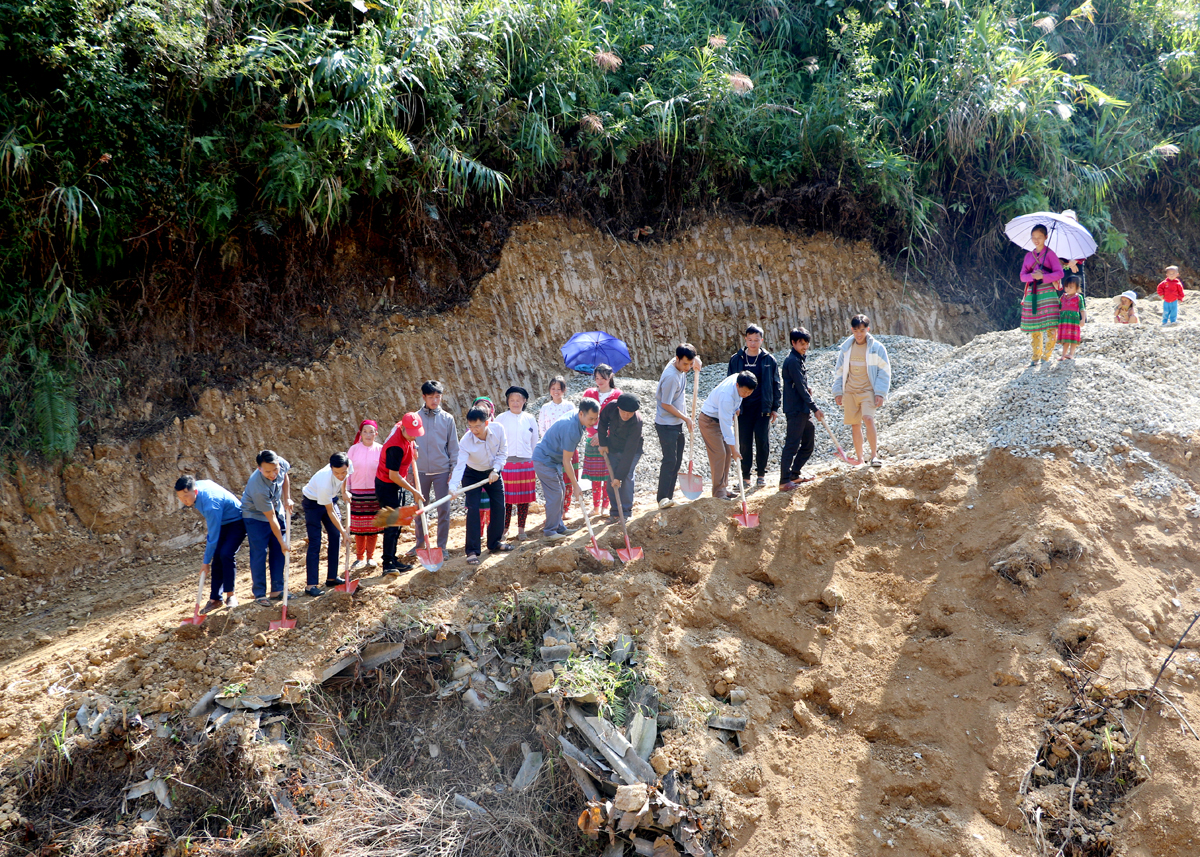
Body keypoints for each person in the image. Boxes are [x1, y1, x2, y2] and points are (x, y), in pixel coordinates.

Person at [450, 407, 514, 564]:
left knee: (499, 505)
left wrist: (496, 470)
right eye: (470, 426)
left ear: (487, 422)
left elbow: (503, 452)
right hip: (471, 474)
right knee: (473, 509)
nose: (474, 430)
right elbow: (459, 466)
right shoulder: (465, 441)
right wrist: (453, 488)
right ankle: (472, 551)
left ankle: (494, 543)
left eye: (477, 426)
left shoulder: (498, 429)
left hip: (493, 472)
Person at [175, 475, 246, 613]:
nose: (183, 501)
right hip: (223, 520)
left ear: (195, 491)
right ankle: (215, 599)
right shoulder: (196, 486)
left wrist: (205, 563)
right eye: (180, 497)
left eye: (186, 497)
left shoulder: (210, 505)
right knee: (217, 557)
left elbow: (212, 537)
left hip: (237, 521)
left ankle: (231, 596)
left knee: (226, 554)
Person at [534, 398, 600, 539]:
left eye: (596, 418)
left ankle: (559, 527)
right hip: (544, 459)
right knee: (556, 494)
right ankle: (550, 531)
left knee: (561, 490)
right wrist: (576, 486)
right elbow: (567, 460)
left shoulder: (577, 415)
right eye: (591, 419)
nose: (593, 422)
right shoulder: (572, 429)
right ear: (581, 414)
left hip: (552, 459)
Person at [832, 315, 891, 467]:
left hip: (867, 391)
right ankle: (859, 459)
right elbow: (839, 371)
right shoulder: (846, 349)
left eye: (862, 331)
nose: (859, 334)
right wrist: (838, 392)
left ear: (868, 330)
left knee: (868, 419)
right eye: (856, 331)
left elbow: (884, 371)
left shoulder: (877, 348)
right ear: (852, 330)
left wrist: (880, 393)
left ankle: (874, 456)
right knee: (855, 424)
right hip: (850, 392)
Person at [727, 324, 781, 487]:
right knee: (744, 442)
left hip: (762, 407)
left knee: (762, 441)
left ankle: (761, 475)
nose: (753, 343)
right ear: (745, 339)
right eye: (750, 339)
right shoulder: (736, 359)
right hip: (742, 408)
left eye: (756, 340)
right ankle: (745, 477)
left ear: (761, 340)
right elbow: (729, 383)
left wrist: (775, 407)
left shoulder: (768, 360)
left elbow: (775, 384)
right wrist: (732, 406)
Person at [412, 381, 459, 557]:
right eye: (431, 397)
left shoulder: (448, 419)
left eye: (437, 397)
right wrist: (410, 472)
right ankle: (419, 545)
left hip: (442, 471)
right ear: (423, 397)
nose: (434, 400)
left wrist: (453, 470)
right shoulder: (414, 418)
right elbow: (407, 446)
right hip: (420, 472)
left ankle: (442, 547)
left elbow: (454, 447)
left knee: (444, 510)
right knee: (419, 510)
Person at [373, 414, 424, 576]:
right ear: (402, 429)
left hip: (395, 483)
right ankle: (387, 563)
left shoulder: (402, 427)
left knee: (398, 522)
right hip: (386, 485)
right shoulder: (395, 447)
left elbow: (410, 435)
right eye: (411, 433)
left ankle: (393, 559)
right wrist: (414, 491)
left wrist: (413, 445)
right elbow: (393, 476)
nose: (413, 435)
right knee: (392, 523)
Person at [241, 450, 292, 606]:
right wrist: (283, 542)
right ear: (259, 469)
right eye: (267, 471)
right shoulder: (258, 487)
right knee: (259, 552)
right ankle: (260, 593)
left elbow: (285, 477)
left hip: (275, 509)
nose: (273, 474)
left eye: (275, 469)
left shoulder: (280, 464)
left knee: (278, 550)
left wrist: (287, 497)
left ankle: (277, 589)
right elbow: (270, 518)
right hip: (255, 516)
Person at [654, 344, 701, 509]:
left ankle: (669, 497)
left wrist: (698, 362)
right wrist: (686, 418)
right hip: (666, 424)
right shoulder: (671, 377)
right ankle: (662, 498)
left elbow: (693, 359)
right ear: (677, 359)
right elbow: (666, 404)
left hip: (676, 423)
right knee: (670, 460)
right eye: (685, 364)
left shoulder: (679, 364)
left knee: (677, 461)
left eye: (691, 364)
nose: (688, 368)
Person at [698, 371, 758, 499]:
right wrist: (734, 450)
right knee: (720, 454)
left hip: (719, 418)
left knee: (725, 455)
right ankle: (718, 492)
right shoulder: (727, 396)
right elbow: (726, 426)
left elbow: (737, 400)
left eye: (749, 392)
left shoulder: (740, 378)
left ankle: (723, 488)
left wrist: (736, 406)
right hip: (709, 421)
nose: (746, 395)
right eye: (745, 392)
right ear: (737, 385)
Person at [300, 452, 352, 597]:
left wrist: (344, 491)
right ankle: (311, 585)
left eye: (343, 472)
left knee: (335, 536)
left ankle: (332, 577)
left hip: (330, 499)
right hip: (313, 504)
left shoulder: (348, 466)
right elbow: (330, 512)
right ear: (331, 468)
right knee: (315, 541)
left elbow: (345, 478)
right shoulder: (325, 482)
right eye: (337, 473)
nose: (341, 476)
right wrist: (344, 531)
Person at [779, 328, 824, 490]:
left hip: (803, 409)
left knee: (808, 443)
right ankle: (784, 481)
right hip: (796, 409)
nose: (805, 347)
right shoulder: (792, 361)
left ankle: (794, 474)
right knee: (792, 444)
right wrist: (815, 408)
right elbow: (799, 387)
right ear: (793, 343)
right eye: (801, 343)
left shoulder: (799, 359)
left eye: (806, 344)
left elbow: (801, 385)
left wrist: (807, 390)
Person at [495, 386, 540, 541]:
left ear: (524, 401)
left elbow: (535, 441)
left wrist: (534, 461)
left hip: (526, 464)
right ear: (507, 401)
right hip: (506, 464)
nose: (515, 403)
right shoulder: (500, 418)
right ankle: (504, 529)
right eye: (512, 400)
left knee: (523, 500)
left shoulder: (529, 418)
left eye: (518, 400)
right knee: (505, 499)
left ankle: (521, 529)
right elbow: (496, 441)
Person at [1019, 224, 1065, 365]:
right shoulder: (1028, 256)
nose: (1036, 240)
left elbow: (1060, 273)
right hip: (1033, 293)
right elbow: (1022, 276)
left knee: (1050, 326)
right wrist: (1033, 276)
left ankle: (1047, 356)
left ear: (1046, 237)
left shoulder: (1050, 254)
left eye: (1039, 237)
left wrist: (1043, 277)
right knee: (1035, 326)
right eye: (1034, 237)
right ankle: (1035, 355)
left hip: (1048, 293)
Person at [582, 365, 622, 515]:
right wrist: (594, 433)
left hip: (610, 439)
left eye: (602, 378)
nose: (599, 381)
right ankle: (596, 506)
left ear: (610, 377)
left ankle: (606, 506)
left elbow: (618, 419)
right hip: (592, 438)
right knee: (595, 475)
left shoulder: (618, 395)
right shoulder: (589, 393)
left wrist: (603, 435)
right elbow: (584, 415)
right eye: (596, 378)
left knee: (608, 473)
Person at [598, 392, 644, 521]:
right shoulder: (611, 408)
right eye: (623, 412)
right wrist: (603, 443)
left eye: (629, 413)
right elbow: (602, 423)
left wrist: (619, 476)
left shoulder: (636, 422)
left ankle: (626, 512)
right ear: (618, 408)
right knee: (611, 481)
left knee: (627, 477)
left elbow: (629, 452)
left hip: (632, 451)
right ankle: (615, 512)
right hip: (613, 446)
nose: (626, 415)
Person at [346, 419, 383, 571]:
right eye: (365, 431)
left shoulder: (381, 449)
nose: (368, 435)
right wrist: (346, 490)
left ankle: (370, 557)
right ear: (360, 434)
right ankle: (359, 558)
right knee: (359, 528)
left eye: (371, 432)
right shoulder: (353, 450)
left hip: (375, 492)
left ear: (376, 433)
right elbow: (346, 472)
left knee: (373, 527)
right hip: (356, 492)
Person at [537, 377, 577, 515]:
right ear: (549, 390)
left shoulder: (569, 406)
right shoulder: (545, 408)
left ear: (564, 390)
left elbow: (574, 425)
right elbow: (541, 427)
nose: (556, 391)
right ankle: (554, 511)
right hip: (550, 449)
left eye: (559, 389)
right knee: (554, 479)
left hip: (567, 447)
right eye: (553, 388)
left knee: (567, 478)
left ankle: (566, 508)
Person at [470, 396, 497, 538]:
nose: (482, 409)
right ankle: (479, 533)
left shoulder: (497, 428)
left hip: (493, 472)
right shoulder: (472, 429)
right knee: (479, 505)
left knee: (493, 504)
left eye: (485, 406)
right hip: (477, 471)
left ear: (490, 409)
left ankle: (491, 533)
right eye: (479, 406)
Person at [1057, 276, 1086, 361]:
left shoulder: (1078, 297)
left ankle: (1071, 354)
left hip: (1074, 320)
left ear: (1077, 288)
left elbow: (1082, 309)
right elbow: (1058, 307)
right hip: (1064, 321)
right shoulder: (1063, 297)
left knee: (1073, 337)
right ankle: (1063, 355)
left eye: (1071, 287)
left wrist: (1083, 319)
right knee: (1066, 338)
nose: (1068, 289)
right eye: (1066, 287)